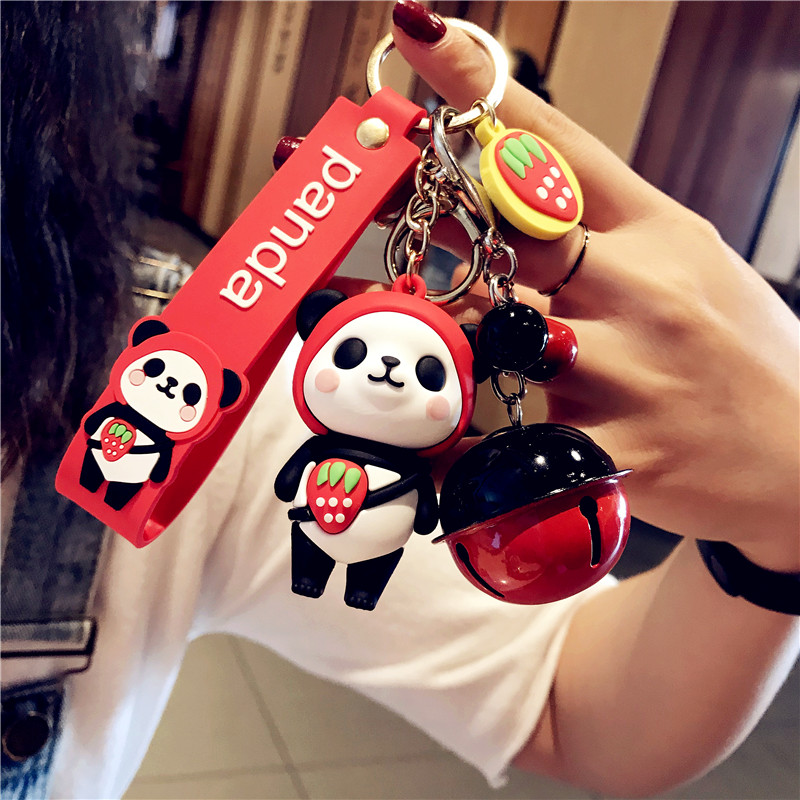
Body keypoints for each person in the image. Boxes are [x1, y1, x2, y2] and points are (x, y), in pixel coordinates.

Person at [2, 2, 797, 798]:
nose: (382, 379)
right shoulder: (192, 389)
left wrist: (786, 510)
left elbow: (579, 707)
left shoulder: (194, 383)